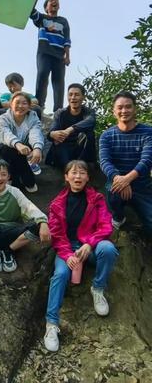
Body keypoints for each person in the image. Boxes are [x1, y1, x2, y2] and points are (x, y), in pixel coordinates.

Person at [44, 160, 118, 352]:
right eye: (73, 173)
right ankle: (51, 324)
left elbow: (105, 225)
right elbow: (56, 234)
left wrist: (89, 243)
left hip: (90, 247)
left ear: (88, 177)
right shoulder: (57, 204)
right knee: (60, 275)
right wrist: (68, 254)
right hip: (68, 249)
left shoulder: (97, 199)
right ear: (66, 177)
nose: (78, 177)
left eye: (82, 173)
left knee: (108, 249)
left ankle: (98, 289)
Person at [99, 90, 152, 235]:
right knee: (113, 189)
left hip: (143, 187)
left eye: (128, 106)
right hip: (117, 185)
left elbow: (147, 160)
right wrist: (119, 179)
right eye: (120, 107)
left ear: (135, 109)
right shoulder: (107, 135)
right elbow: (104, 161)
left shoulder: (148, 132)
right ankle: (119, 217)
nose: (124, 110)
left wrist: (127, 179)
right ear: (114, 111)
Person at [0, 92, 44, 193]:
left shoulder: (33, 118)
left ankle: (19, 178)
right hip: (6, 153)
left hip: (25, 153)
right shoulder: (3, 118)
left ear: (29, 106)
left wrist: (37, 148)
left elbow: (35, 133)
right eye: (17, 103)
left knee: (25, 149)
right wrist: (17, 144)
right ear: (11, 104)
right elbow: (5, 134)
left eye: (24, 103)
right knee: (8, 148)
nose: (20, 106)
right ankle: (11, 177)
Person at [30, 0, 71, 111]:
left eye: (56, 2)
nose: (54, 2)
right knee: (42, 74)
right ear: (46, 7)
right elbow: (31, 11)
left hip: (59, 54)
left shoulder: (63, 21)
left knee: (58, 81)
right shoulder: (42, 19)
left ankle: (58, 109)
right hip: (44, 52)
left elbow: (67, 39)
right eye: (51, 1)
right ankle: (39, 105)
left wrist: (67, 56)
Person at [46, 83, 96, 168]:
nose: (73, 98)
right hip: (64, 148)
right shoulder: (60, 113)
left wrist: (70, 129)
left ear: (83, 97)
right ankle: (72, 168)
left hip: (80, 149)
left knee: (89, 134)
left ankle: (82, 166)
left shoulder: (88, 112)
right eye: (70, 95)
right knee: (58, 142)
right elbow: (52, 130)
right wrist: (52, 134)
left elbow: (91, 121)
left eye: (76, 95)